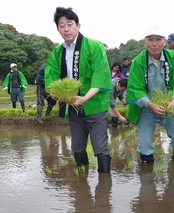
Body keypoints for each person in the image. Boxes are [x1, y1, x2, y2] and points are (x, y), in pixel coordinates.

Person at [44, 7, 112, 173]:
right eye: (61, 25)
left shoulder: (94, 46)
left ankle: (104, 188)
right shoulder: (57, 52)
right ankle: (82, 184)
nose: (66, 29)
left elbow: (100, 74)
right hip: (73, 106)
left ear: (78, 25)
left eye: (70, 24)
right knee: (77, 147)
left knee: (100, 147)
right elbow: (51, 77)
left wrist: (85, 98)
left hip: (94, 104)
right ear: (58, 29)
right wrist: (56, 94)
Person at [126, 25, 174, 163]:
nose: (154, 43)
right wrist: (150, 105)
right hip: (146, 106)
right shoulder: (138, 61)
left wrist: (173, 100)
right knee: (144, 144)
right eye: (150, 39)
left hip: (169, 106)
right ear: (145, 42)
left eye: (158, 39)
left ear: (164, 42)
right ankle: (147, 178)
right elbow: (135, 88)